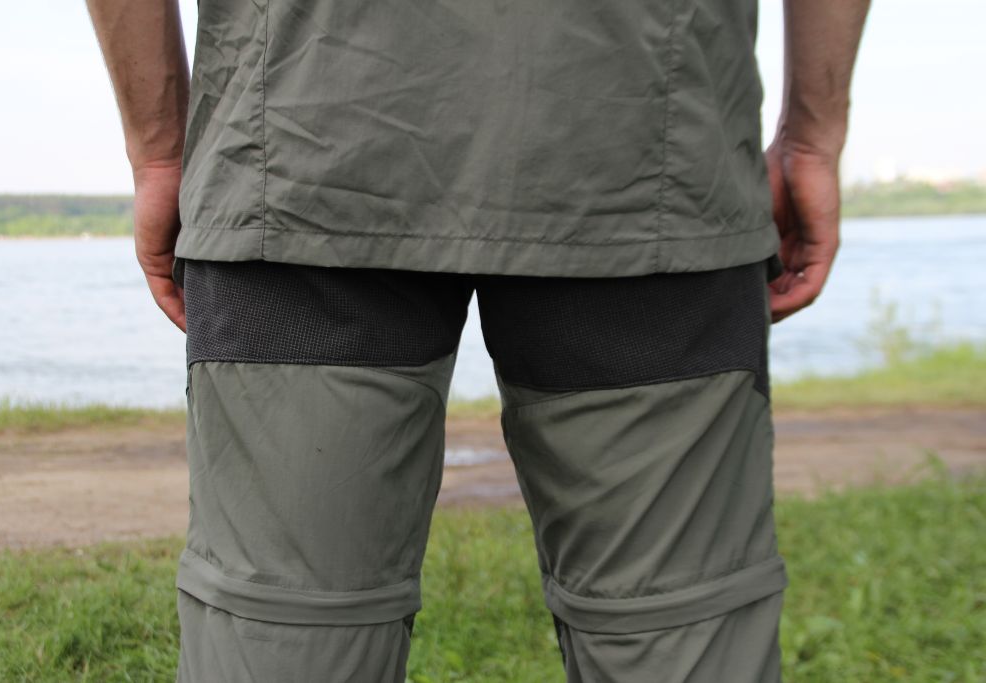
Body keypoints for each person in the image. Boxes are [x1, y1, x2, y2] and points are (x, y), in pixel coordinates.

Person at [87, 0, 870, 680]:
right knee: (677, 640)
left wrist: (161, 147)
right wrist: (811, 133)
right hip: (647, 139)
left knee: (285, 644)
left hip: (298, 137)